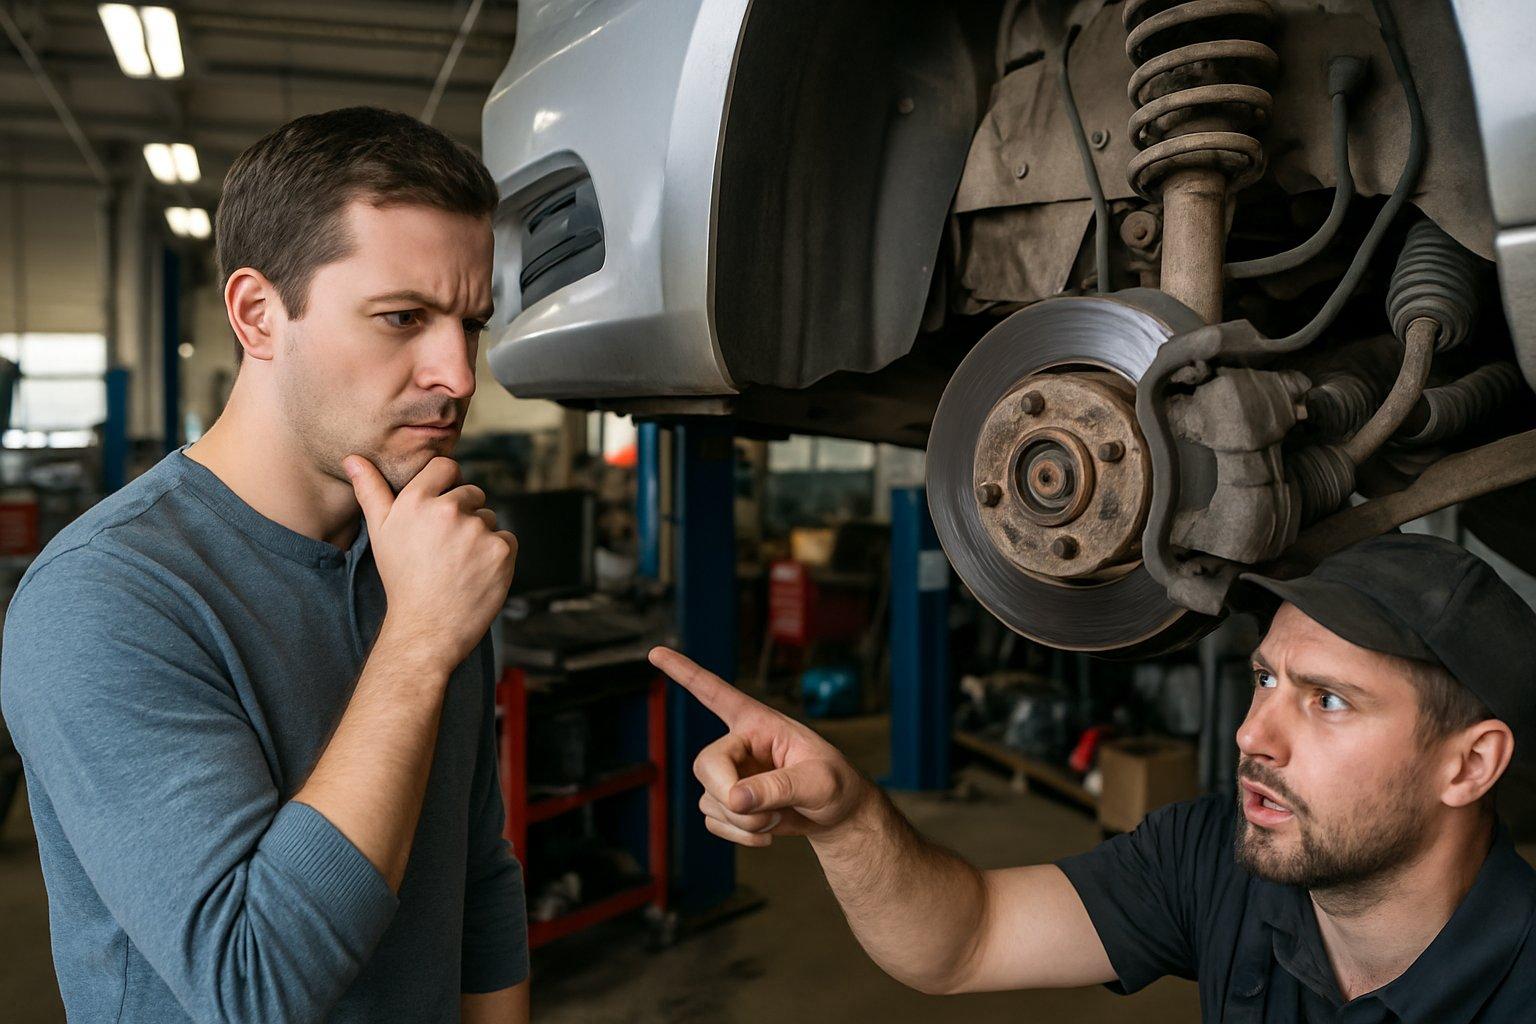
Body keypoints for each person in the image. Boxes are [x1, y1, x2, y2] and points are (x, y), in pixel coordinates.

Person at [1, 107, 528, 1023]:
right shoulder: (104, 597)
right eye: (402, 317)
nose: (458, 374)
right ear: (257, 316)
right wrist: (418, 644)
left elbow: (473, 880)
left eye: (470, 323)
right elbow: (253, 983)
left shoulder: (416, 560)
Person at [652, 532, 1536, 1021]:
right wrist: (848, 820)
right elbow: (962, 942)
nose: (1251, 734)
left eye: (1329, 702)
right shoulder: (1211, 859)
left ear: (1471, 765)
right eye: (1265, 678)